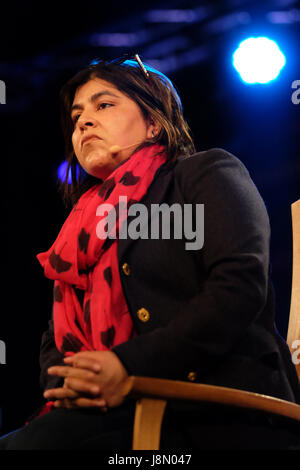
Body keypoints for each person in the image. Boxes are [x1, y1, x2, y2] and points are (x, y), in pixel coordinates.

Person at [1, 54, 300, 450]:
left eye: (103, 105)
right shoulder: (82, 226)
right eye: (77, 118)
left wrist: (127, 365)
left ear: (154, 123)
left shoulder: (204, 174)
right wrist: (72, 384)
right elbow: (55, 341)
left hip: (218, 410)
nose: (84, 122)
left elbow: (238, 288)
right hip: (113, 414)